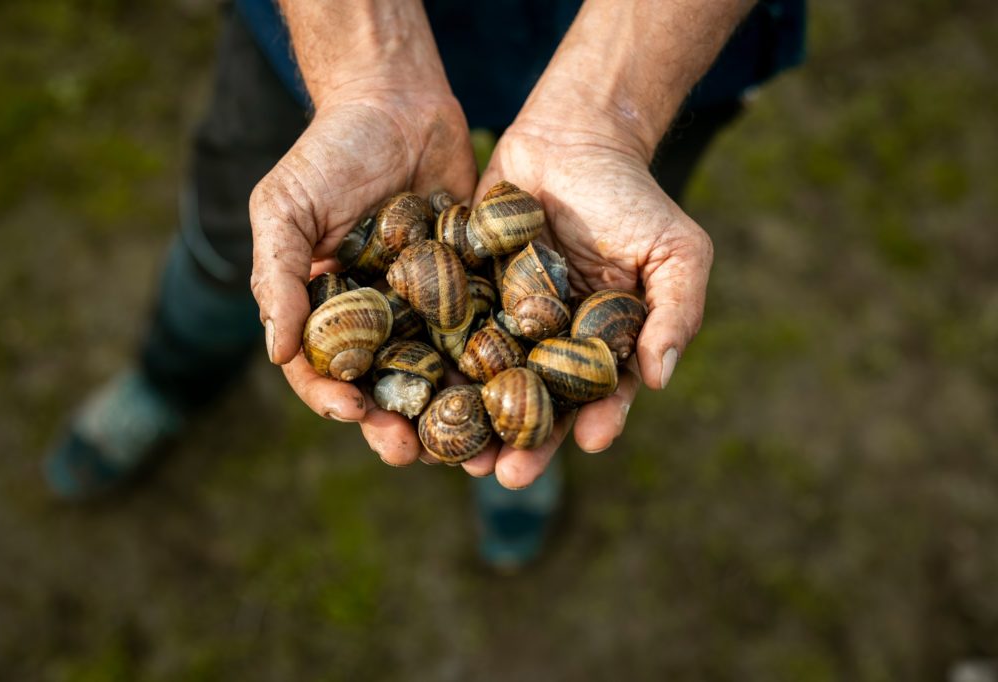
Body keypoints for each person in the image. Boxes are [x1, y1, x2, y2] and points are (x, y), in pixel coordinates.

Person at [44, 0, 805, 571]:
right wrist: (365, 71)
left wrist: (609, 115)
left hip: (659, 41)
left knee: (608, 265)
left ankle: (522, 460)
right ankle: (168, 379)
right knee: (237, 248)